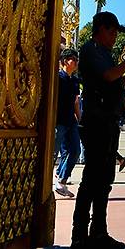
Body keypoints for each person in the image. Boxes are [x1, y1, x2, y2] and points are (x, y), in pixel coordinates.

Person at [71, 12, 125, 249]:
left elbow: (113, 82)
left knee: (104, 180)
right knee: (92, 179)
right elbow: (107, 76)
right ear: (100, 29)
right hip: (96, 120)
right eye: (112, 31)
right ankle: (79, 235)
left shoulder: (105, 54)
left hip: (109, 119)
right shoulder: (90, 50)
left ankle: (99, 232)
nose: (114, 37)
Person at [54, 48, 81, 198]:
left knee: (76, 150)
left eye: (77, 60)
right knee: (53, 153)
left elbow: (76, 102)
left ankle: (62, 181)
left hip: (71, 120)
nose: (76, 62)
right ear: (65, 61)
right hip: (58, 120)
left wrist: (80, 119)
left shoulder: (75, 81)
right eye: (73, 60)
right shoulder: (58, 78)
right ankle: (46, 184)